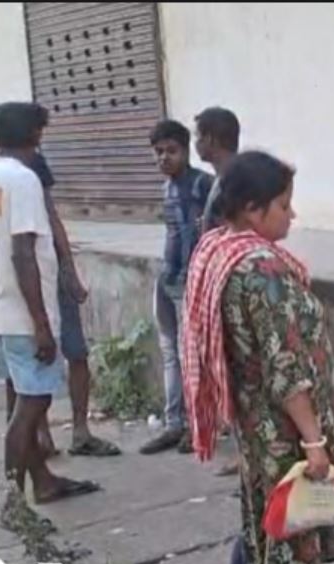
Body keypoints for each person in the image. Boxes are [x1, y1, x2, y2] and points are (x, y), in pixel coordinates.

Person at [181, 151, 334, 564]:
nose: (291, 215)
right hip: (282, 423)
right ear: (252, 209)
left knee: (260, 515)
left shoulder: (217, 251)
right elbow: (286, 365)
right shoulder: (262, 270)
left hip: (252, 417)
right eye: (283, 205)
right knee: (290, 522)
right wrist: (314, 441)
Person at [0, 102, 100, 503]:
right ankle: (12, 498)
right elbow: (23, 252)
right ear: (35, 135)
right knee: (34, 401)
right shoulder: (22, 179)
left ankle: (42, 481)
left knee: (18, 396)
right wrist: (41, 325)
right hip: (22, 314)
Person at [0, 135, 119, 459]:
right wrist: (41, 322)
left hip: (30, 284)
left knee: (63, 359)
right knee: (28, 383)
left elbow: (49, 218)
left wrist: (67, 268)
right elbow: (19, 250)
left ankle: (68, 437)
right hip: (21, 291)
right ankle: (32, 451)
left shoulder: (9, 170)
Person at [139, 120, 214, 456]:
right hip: (168, 277)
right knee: (170, 353)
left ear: (185, 150)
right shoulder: (166, 188)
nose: (163, 158)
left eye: (171, 151)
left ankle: (197, 426)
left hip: (191, 282)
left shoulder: (203, 185)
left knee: (191, 357)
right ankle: (174, 424)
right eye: (158, 152)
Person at [194, 106, 240, 235]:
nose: (195, 143)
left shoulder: (234, 181)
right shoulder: (222, 176)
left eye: (197, 136)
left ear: (209, 139)